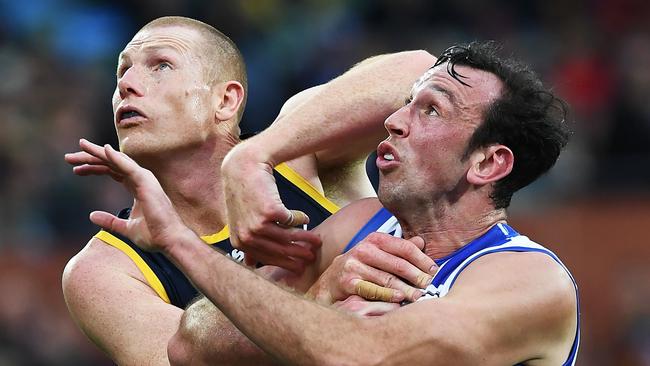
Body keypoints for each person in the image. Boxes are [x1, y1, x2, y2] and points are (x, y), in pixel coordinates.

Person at [79, 41, 579, 365]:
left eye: (429, 110)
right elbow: (193, 346)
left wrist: (180, 243)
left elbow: (366, 355)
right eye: (406, 103)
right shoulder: (359, 224)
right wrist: (317, 291)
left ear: (488, 165)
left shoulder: (527, 281)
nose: (393, 120)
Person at [61, 16, 436, 365]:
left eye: (161, 66)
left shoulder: (297, 150)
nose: (126, 84)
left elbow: (424, 71)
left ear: (225, 101)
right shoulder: (102, 268)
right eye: (123, 70)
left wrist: (251, 158)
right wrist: (317, 293)